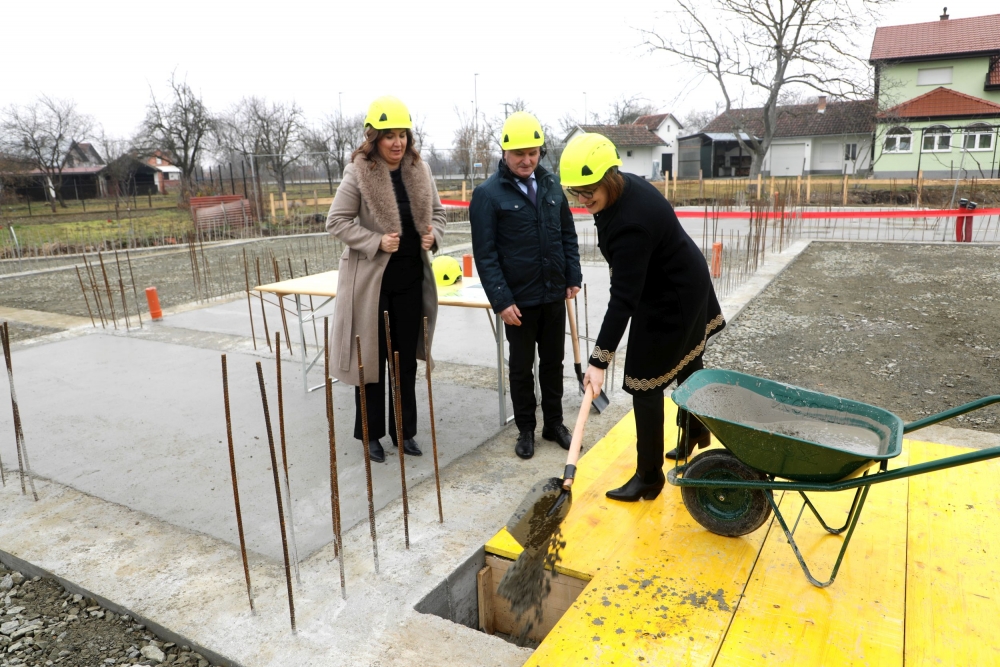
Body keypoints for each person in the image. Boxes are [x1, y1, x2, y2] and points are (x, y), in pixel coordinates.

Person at [560, 133, 726, 501]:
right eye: (576, 193)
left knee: (643, 383)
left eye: (589, 191)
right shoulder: (625, 187)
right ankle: (696, 430)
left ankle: (649, 477)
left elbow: (623, 299)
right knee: (688, 360)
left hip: (671, 294)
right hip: (682, 277)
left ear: (609, 177)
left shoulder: (630, 225)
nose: (583, 200)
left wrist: (599, 361)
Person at [326, 96, 446, 463]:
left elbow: (439, 214)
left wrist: (433, 235)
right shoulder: (358, 171)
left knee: (405, 361)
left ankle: (404, 432)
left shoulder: (420, 170)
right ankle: (371, 434)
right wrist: (375, 241)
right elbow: (336, 221)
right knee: (372, 362)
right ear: (374, 138)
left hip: (410, 281)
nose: (397, 143)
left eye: (402, 135)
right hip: (372, 285)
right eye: (389, 135)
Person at [470, 111, 582, 459]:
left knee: (553, 363)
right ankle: (526, 430)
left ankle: (554, 424)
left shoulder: (551, 185)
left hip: (552, 295)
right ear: (504, 152)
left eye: (532, 153)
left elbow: (567, 235)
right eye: (519, 153)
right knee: (521, 368)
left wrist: (572, 276)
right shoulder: (487, 195)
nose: (526, 160)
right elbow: (485, 254)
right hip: (517, 302)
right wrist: (501, 300)